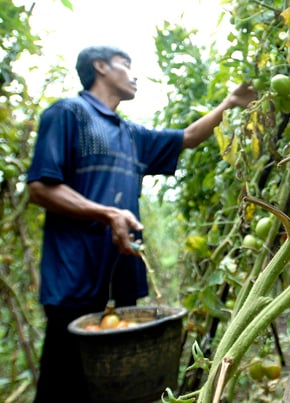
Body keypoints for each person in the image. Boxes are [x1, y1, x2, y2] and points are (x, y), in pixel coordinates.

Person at [27, 45, 256, 402]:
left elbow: (189, 137)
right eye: (126, 66)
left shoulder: (131, 135)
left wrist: (229, 103)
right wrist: (108, 213)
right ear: (100, 67)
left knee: (118, 387)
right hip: (74, 276)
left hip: (121, 276)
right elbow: (41, 187)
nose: (134, 76)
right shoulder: (69, 114)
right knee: (64, 382)